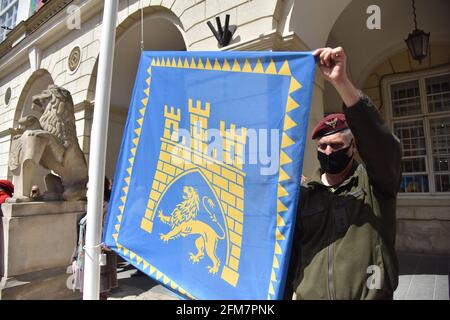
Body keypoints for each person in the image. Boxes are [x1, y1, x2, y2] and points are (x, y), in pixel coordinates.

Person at [284, 47, 401, 300]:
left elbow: (382, 146)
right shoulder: (306, 193)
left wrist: (341, 82)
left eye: (336, 146)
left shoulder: (376, 185)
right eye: (322, 147)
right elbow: (290, 254)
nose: (328, 151)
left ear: (353, 147)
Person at [71, 177, 118, 299]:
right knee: (87, 294)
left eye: (89, 188)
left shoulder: (108, 208)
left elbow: (112, 236)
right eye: (86, 188)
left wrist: (105, 244)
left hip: (99, 261)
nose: (86, 192)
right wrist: (75, 258)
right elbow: (80, 235)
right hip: (84, 260)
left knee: (99, 294)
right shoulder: (88, 207)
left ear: (99, 189)